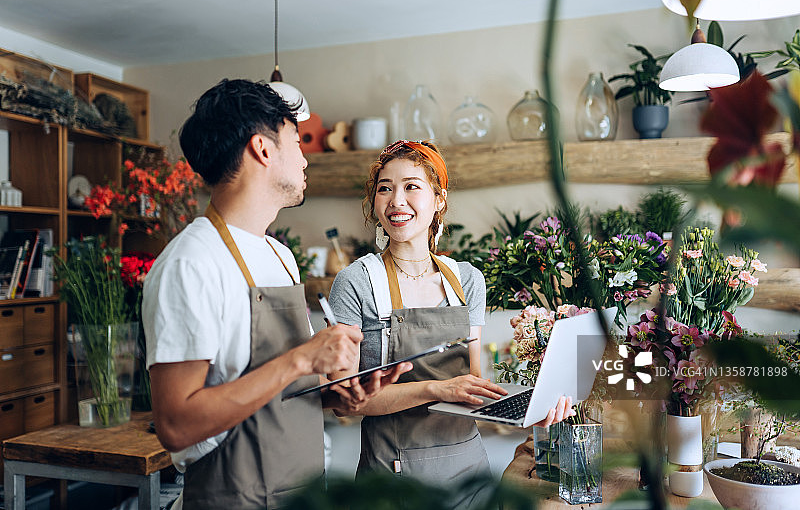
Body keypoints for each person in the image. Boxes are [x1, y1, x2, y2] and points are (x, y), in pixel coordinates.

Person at [142, 79, 409, 510]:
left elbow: (281, 386)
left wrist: (337, 391)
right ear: (262, 149)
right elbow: (176, 424)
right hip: (235, 496)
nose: (305, 157)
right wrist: (303, 358)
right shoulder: (191, 264)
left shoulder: (278, 254)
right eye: (296, 140)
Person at [328, 140, 575, 509]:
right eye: (385, 188)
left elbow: (471, 385)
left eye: (412, 186)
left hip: (469, 477)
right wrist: (437, 389)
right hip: (392, 481)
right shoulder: (356, 282)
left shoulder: (466, 280)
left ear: (438, 199)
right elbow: (342, 402)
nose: (396, 200)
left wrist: (529, 410)